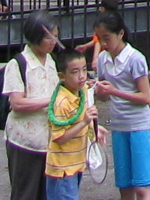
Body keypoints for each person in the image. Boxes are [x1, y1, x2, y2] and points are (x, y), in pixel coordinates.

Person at [91, 10, 150, 200]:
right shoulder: (103, 59)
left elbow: (146, 97)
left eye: (107, 38)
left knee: (142, 186)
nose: (103, 44)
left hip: (140, 126)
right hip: (119, 126)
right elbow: (105, 95)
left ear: (120, 34)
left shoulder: (135, 58)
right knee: (124, 185)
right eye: (99, 39)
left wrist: (113, 91)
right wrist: (98, 91)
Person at [1, 14, 60, 200]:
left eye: (55, 37)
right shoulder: (18, 64)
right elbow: (17, 103)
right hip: (24, 140)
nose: (53, 42)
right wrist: (50, 101)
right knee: (25, 192)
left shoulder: (51, 62)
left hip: (48, 141)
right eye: (48, 37)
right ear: (35, 37)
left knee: (45, 194)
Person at [43, 46, 96, 200]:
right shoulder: (61, 102)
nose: (82, 76)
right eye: (75, 72)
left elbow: (84, 119)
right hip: (62, 169)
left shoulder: (82, 91)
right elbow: (59, 138)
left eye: (84, 70)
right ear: (62, 76)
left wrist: (95, 130)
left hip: (76, 164)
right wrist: (84, 123)